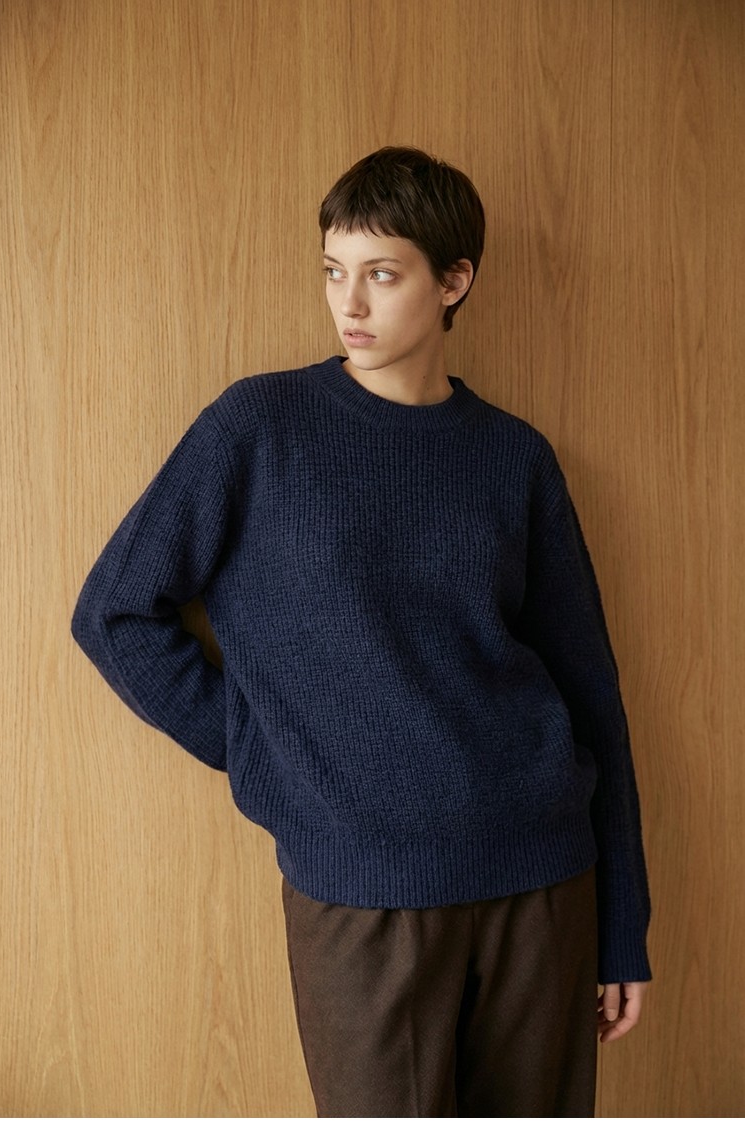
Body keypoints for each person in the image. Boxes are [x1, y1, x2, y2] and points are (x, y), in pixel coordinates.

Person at [71, 146, 652, 1118]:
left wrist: (623, 922)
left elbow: (591, 694)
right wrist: (264, 750)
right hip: (360, 891)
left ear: (453, 280)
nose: (350, 302)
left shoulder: (514, 459)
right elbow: (115, 612)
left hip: (541, 880)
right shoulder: (258, 428)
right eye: (334, 270)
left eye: (382, 273)